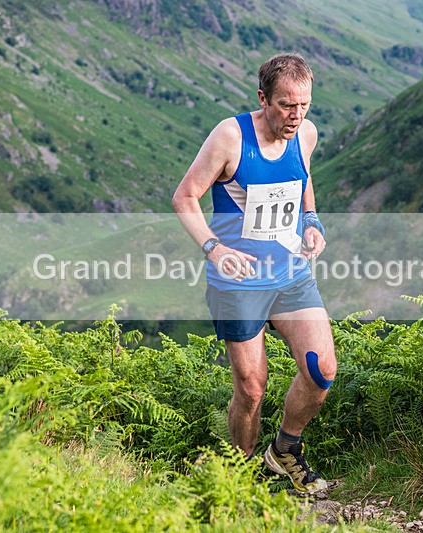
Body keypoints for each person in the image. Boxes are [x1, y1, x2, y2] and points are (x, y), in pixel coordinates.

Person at [172, 52, 336, 493]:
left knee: (321, 371)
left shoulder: (306, 134)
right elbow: (184, 197)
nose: (295, 115)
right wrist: (214, 248)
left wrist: (312, 220)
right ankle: (240, 478)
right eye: (285, 105)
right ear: (263, 98)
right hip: (239, 281)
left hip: (291, 275)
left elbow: (302, 183)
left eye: (303, 105)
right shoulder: (230, 137)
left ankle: (284, 451)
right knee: (250, 389)